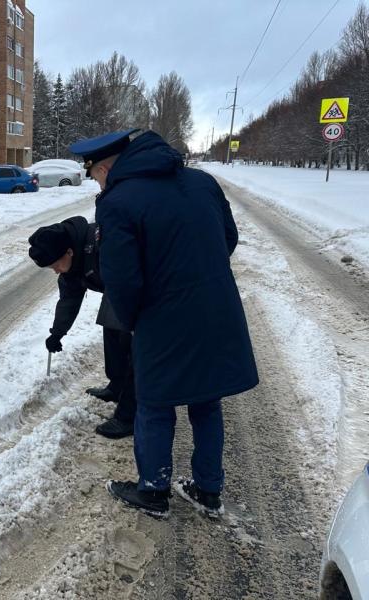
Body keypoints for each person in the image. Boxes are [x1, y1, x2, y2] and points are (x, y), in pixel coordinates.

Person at [69, 129, 259, 519]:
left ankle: (153, 491)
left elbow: (122, 278)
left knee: (154, 404)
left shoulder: (117, 202)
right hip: (217, 308)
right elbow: (228, 237)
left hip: (162, 316)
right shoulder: (203, 181)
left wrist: (133, 318)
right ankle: (208, 490)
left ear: (103, 167)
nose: (97, 182)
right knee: (206, 401)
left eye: (94, 175)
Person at [27, 216, 136, 439]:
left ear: (69, 252)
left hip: (136, 291)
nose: (56, 271)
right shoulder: (72, 262)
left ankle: (129, 416)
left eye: (56, 265)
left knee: (134, 351)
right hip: (114, 292)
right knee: (112, 335)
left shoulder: (103, 245)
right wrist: (56, 334)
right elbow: (69, 300)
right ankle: (116, 386)